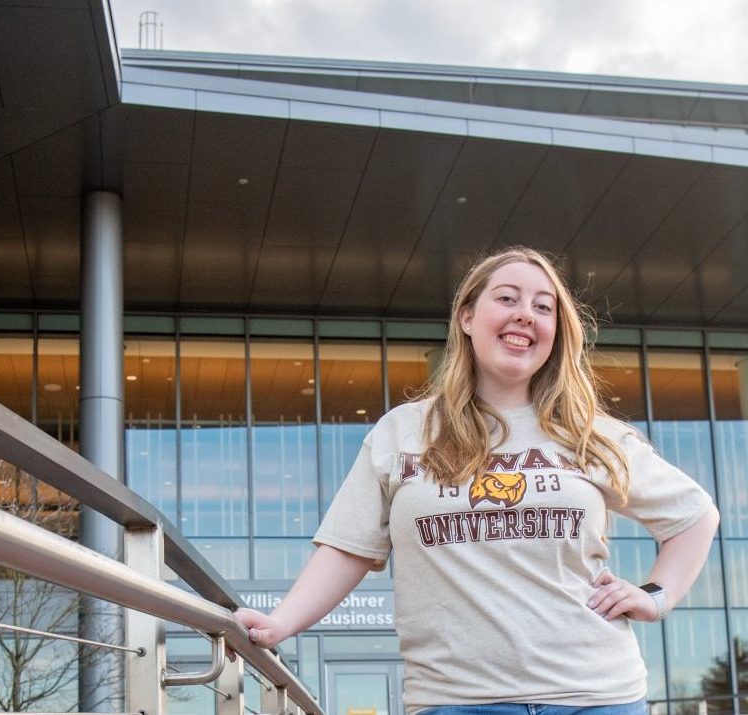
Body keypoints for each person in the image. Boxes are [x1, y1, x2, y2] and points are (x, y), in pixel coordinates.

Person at [234, 246, 720, 715]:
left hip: (597, 697)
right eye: (507, 298)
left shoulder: (591, 434)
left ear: (557, 331)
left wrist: (655, 597)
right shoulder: (404, 431)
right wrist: (280, 623)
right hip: (457, 701)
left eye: (543, 306)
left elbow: (694, 516)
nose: (525, 314)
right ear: (467, 317)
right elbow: (348, 548)